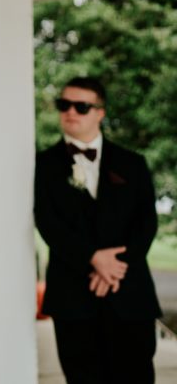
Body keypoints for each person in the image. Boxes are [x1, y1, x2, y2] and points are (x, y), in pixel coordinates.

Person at [35, 77, 161, 383]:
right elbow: (48, 223)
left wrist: (115, 266)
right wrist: (92, 258)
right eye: (64, 105)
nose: (71, 112)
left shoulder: (133, 163)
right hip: (73, 297)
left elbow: (146, 222)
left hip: (128, 293)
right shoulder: (43, 165)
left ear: (100, 112)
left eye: (81, 106)